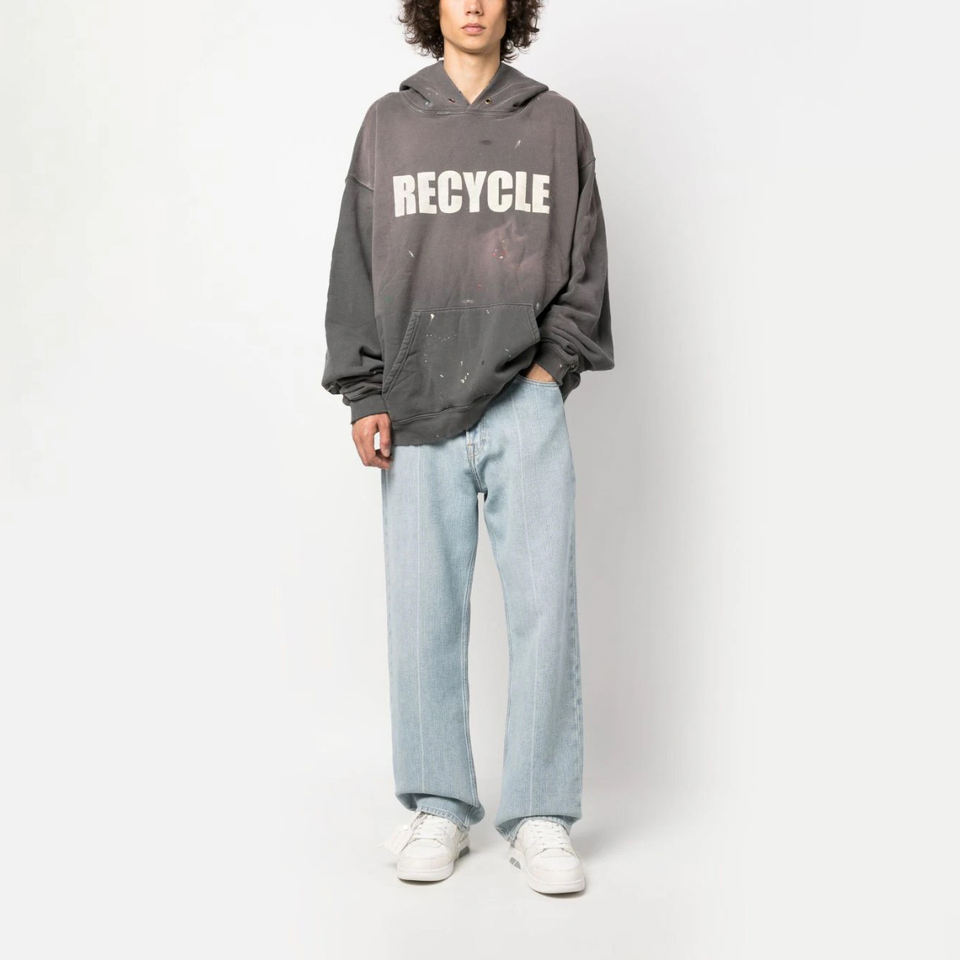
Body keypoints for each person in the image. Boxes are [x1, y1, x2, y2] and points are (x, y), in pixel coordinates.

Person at [321, 0, 614, 895]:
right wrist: (365, 390)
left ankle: (541, 814)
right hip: (415, 403)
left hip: (524, 399)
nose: (475, 3)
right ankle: (439, 806)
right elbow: (355, 263)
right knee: (423, 613)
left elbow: (586, 263)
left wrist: (549, 370)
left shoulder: (555, 122)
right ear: (431, 8)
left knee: (544, 609)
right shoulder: (390, 123)